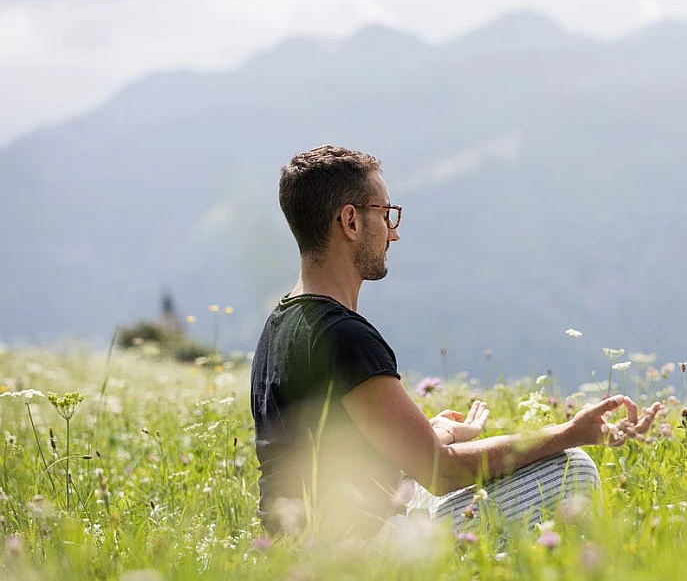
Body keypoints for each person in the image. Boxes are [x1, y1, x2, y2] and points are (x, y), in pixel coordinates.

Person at [249, 145, 662, 539]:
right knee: (573, 468)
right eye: (386, 213)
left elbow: (330, 455)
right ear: (351, 221)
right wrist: (571, 431)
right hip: (363, 549)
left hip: (305, 545)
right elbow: (441, 473)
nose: (393, 234)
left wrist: (436, 433)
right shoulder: (342, 336)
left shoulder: (280, 324)